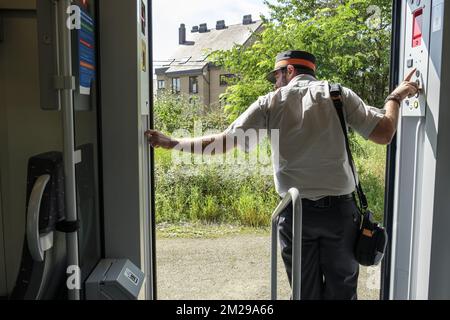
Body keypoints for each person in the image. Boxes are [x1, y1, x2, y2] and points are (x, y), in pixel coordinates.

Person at [146, 50, 419, 300]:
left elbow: (225, 142)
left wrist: (173, 143)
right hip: (340, 214)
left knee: (302, 292)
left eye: (276, 76)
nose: (274, 83)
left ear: (288, 71)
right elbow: (384, 133)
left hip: (295, 214)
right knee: (343, 292)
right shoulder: (338, 94)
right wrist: (395, 97)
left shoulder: (270, 102)